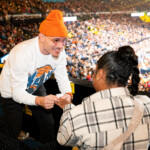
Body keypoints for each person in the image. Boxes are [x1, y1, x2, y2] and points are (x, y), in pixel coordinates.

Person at [0, 9, 72, 147]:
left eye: (63, 41)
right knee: (12, 128)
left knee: (48, 122)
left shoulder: (60, 51)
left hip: (35, 84)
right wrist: (39, 100)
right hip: (11, 91)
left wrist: (67, 94)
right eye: (56, 40)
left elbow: (62, 75)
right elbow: (17, 94)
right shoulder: (22, 53)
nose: (60, 46)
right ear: (42, 37)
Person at [57, 46, 150, 149]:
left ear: (100, 74)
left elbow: (63, 140)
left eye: (95, 71)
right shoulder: (147, 104)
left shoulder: (78, 114)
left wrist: (67, 109)